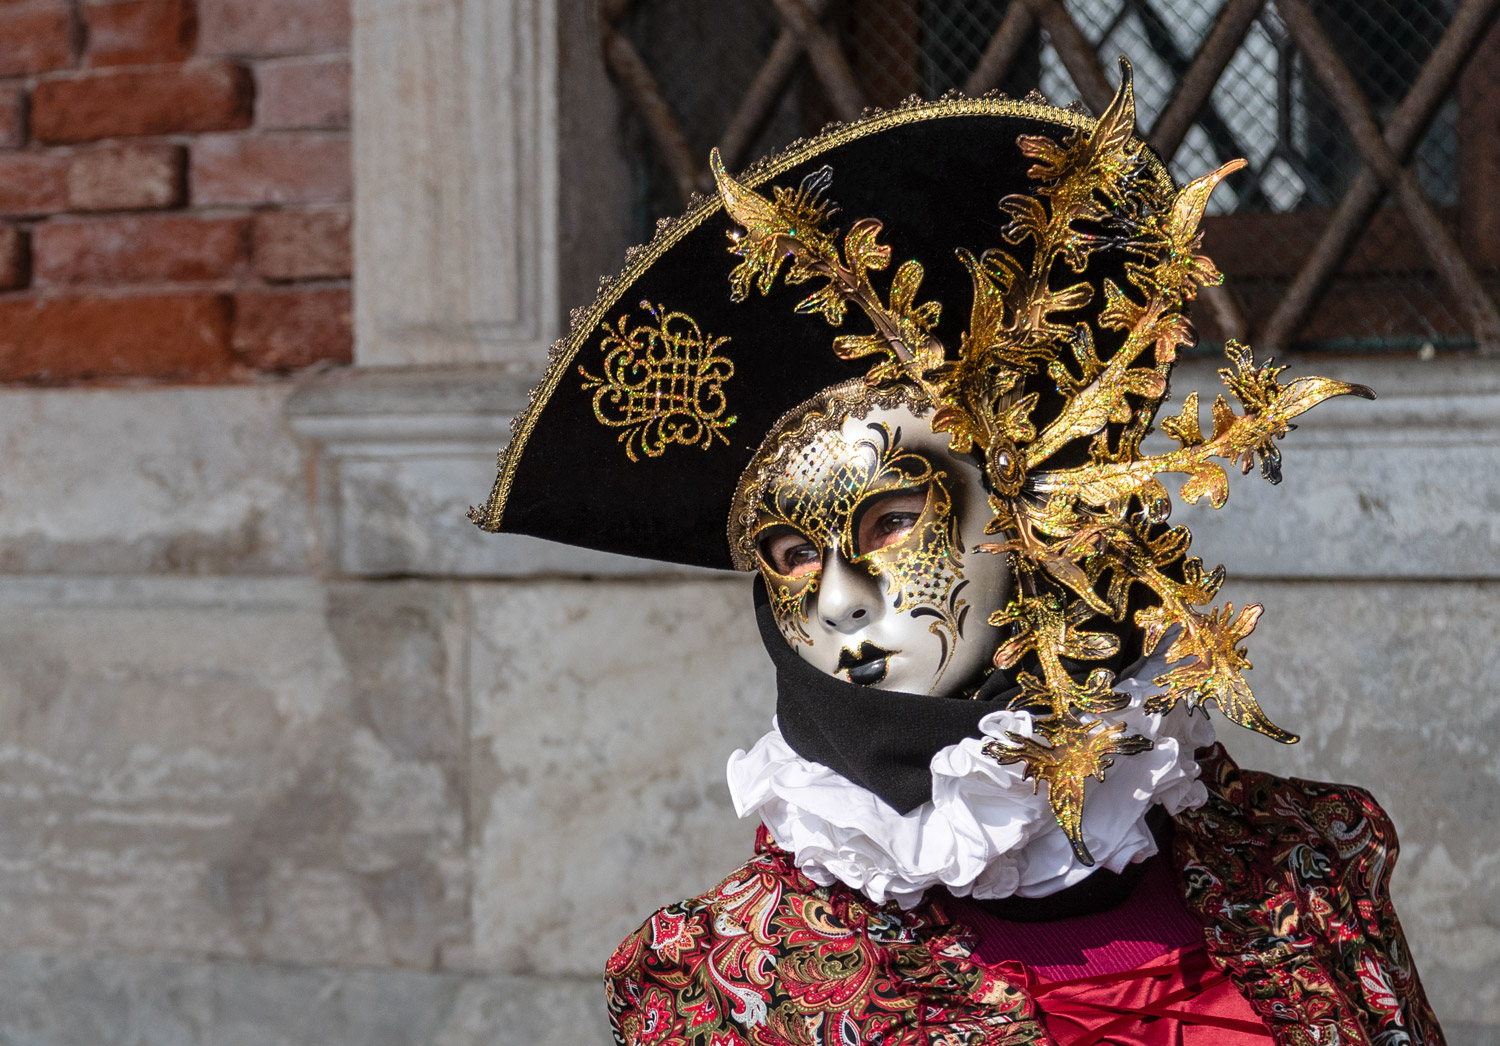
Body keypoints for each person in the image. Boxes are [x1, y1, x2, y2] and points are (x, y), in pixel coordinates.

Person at [472, 62, 1444, 1046]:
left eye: (892, 520)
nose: (844, 601)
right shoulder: (730, 982)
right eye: (793, 552)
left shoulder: (1298, 867)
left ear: (1031, 508)